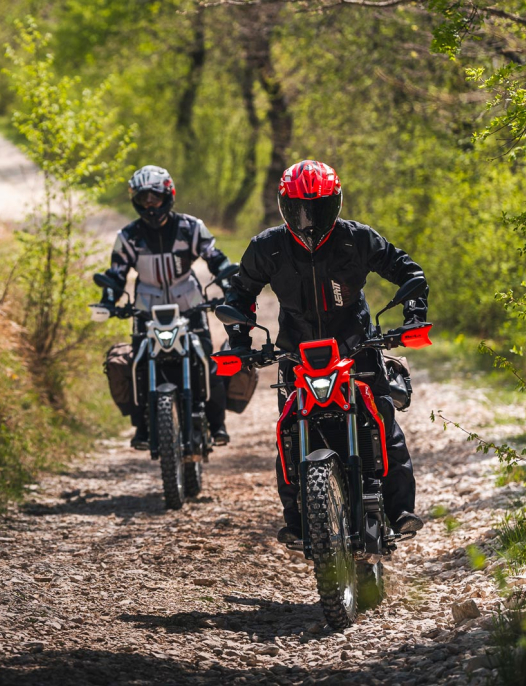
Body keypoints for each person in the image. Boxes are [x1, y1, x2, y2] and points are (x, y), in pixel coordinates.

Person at [223, 160, 426, 543]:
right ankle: (297, 521)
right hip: (296, 354)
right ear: (284, 206)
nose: (308, 220)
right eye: (299, 209)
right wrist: (239, 342)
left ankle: (400, 510)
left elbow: (406, 270)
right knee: (288, 430)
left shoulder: (356, 239)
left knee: (383, 418)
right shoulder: (268, 247)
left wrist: (414, 315)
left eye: (317, 209)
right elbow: (239, 292)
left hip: (356, 346)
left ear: (335, 203)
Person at [98, 165, 233, 449]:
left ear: (168, 196)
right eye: (143, 198)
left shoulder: (190, 227)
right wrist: (109, 300)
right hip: (146, 308)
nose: (149, 204)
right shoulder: (128, 236)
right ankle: (142, 427)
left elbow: (216, 258)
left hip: (189, 303)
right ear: (135, 200)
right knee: (138, 363)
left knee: (207, 360)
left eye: (155, 197)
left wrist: (230, 286)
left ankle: (217, 423)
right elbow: (116, 273)